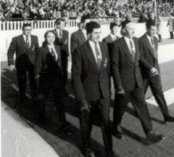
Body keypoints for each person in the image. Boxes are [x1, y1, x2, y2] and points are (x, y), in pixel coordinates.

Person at [111, 21, 164, 144]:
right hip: (124, 84)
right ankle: (116, 126)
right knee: (120, 108)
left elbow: (139, 58)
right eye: (130, 29)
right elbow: (115, 66)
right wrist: (118, 85)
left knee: (142, 106)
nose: (133, 31)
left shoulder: (136, 40)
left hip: (137, 82)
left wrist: (150, 67)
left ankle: (149, 132)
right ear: (123, 30)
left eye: (134, 29)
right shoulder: (117, 44)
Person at [72, 21, 113, 157]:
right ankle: (87, 147)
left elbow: (107, 70)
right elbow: (76, 76)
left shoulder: (104, 46)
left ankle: (109, 150)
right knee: (86, 123)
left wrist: (108, 90)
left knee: (106, 122)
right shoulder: (80, 50)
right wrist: (81, 98)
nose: (98, 35)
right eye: (95, 33)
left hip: (103, 94)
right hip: (88, 94)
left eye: (100, 32)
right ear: (88, 33)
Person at [139, 20, 174, 123]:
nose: (154, 32)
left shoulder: (156, 39)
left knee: (159, 94)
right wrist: (149, 67)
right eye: (152, 30)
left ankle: (166, 115)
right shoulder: (141, 40)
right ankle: (137, 111)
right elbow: (140, 57)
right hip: (145, 73)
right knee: (140, 95)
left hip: (155, 72)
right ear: (146, 28)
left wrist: (155, 68)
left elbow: (154, 56)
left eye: (155, 30)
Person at [34, 30, 71, 134]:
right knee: (44, 100)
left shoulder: (59, 48)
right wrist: (37, 79)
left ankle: (63, 121)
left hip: (57, 79)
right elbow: (37, 66)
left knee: (59, 100)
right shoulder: (41, 50)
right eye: (48, 37)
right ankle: (42, 118)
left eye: (52, 37)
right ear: (45, 38)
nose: (51, 39)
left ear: (55, 38)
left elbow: (62, 64)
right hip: (45, 79)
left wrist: (64, 77)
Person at [7, 23, 39, 105]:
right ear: (22, 30)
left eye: (30, 29)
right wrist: (11, 63)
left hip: (32, 63)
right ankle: (23, 97)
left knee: (33, 80)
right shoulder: (16, 39)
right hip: (21, 64)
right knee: (22, 80)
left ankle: (34, 97)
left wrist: (39, 62)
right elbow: (10, 52)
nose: (28, 31)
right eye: (26, 30)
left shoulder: (35, 38)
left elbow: (37, 51)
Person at [53, 18, 69, 88]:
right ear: (57, 25)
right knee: (56, 71)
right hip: (55, 54)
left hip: (64, 54)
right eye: (62, 24)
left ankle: (64, 87)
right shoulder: (51, 32)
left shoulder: (66, 32)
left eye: (64, 24)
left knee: (64, 70)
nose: (64, 25)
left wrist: (68, 53)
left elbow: (67, 44)